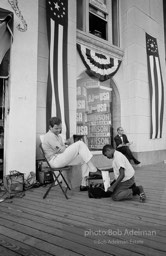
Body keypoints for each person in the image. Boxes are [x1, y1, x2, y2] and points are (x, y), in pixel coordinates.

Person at [42, 117, 101, 191]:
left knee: (84, 158)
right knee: (80, 143)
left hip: (59, 158)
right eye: (56, 128)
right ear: (50, 127)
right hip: (54, 161)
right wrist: (66, 145)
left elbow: (62, 148)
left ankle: (84, 184)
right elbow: (62, 150)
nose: (58, 130)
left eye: (59, 128)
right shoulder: (49, 136)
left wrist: (66, 145)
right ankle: (93, 169)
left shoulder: (58, 136)